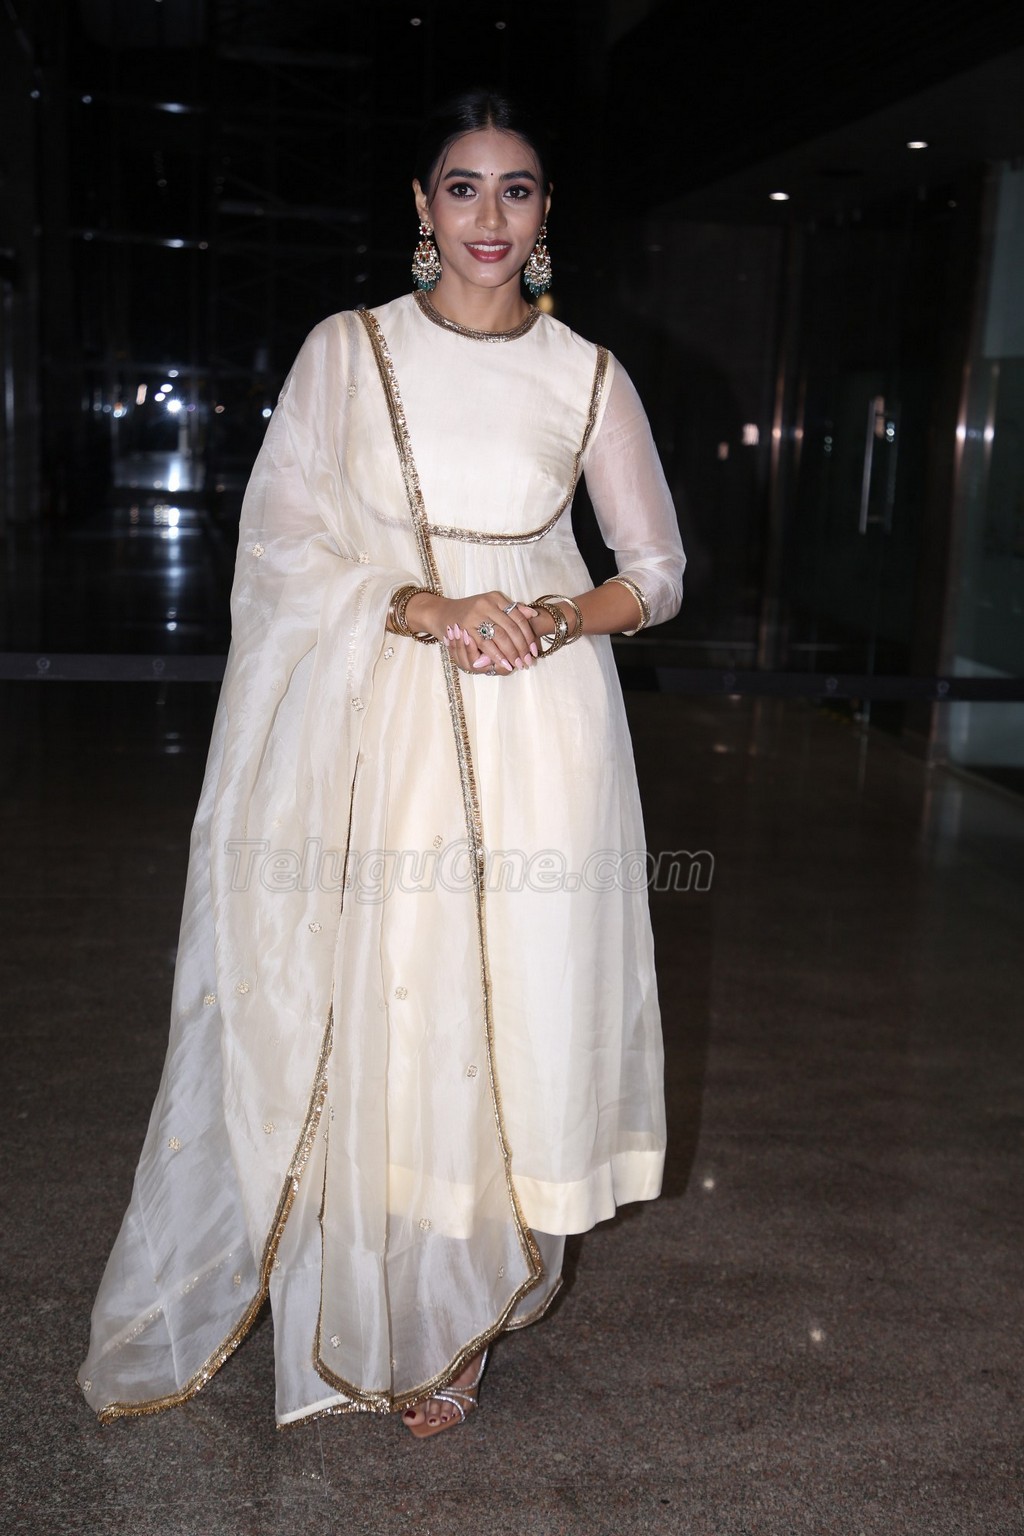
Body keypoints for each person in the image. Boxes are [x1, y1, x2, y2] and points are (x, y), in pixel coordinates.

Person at [79, 88, 685, 1438]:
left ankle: (462, 1313)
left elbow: (656, 570)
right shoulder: (348, 353)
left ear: (546, 212)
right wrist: (421, 606)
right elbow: (282, 542)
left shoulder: (587, 375)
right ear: (423, 206)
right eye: (463, 188)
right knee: (397, 1000)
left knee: (513, 1007)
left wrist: (556, 617)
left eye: (516, 189)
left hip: (541, 730)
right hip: (384, 718)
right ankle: (381, 1286)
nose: (489, 216)